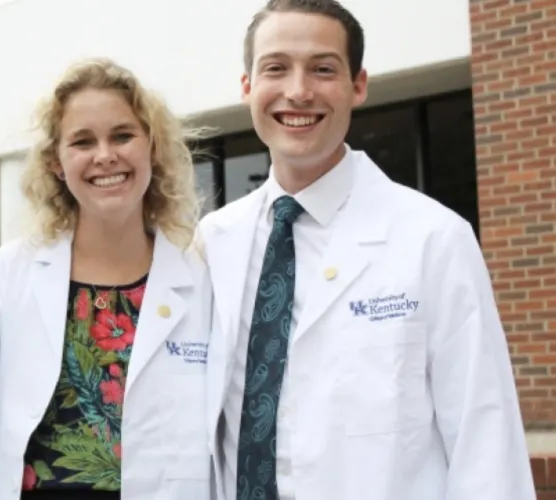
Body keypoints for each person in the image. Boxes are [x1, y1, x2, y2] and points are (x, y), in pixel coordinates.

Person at [197, 1, 537, 499]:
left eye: (322, 68)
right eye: (275, 68)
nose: (297, 90)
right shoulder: (211, 242)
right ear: (247, 86)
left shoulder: (434, 238)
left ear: (358, 85)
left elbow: (485, 437)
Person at [0, 58, 214, 500]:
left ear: (153, 147)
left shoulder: (203, 279)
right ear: (55, 162)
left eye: (122, 135)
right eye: (83, 141)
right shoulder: (11, 272)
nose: (105, 155)